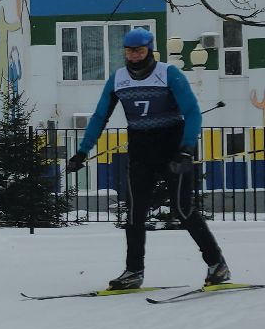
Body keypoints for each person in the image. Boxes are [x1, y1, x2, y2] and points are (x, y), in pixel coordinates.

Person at [64, 26, 230, 290]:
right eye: (130, 51)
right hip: (141, 152)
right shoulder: (118, 79)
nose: (135, 56)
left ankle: (216, 264)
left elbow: (193, 112)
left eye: (140, 50)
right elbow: (99, 117)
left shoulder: (168, 74)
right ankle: (133, 271)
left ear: (149, 49)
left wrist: (187, 148)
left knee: (183, 209)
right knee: (135, 213)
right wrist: (82, 151)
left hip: (173, 150)